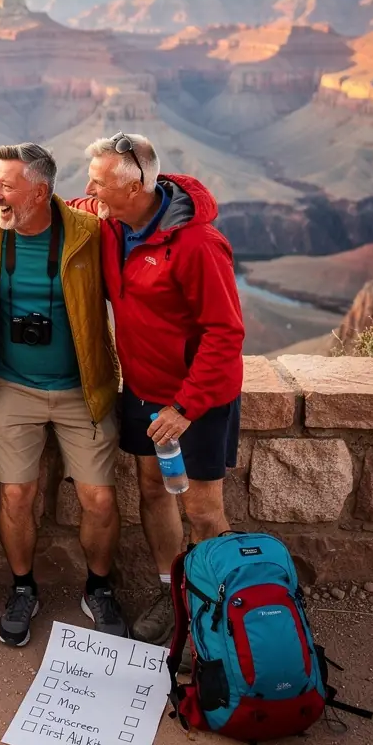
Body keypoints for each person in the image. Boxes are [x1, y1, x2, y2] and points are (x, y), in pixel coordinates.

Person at [75, 132, 244, 654]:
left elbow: (225, 334)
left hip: (195, 402)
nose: (90, 191)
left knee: (203, 511)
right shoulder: (110, 220)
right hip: (143, 391)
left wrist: (185, 406)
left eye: (100, 184)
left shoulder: (196, 245)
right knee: (152, 491)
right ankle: (172, 595)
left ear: (136, 188)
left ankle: (214, 614)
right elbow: (65, 206)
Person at [0, 143, 125, 648]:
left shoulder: (89, 234)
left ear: (40, 191)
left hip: (82, 388)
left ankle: (98, 587)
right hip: (10, 386)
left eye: (6, 186)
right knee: (15, 494)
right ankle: (23, 588)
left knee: (98, 497)